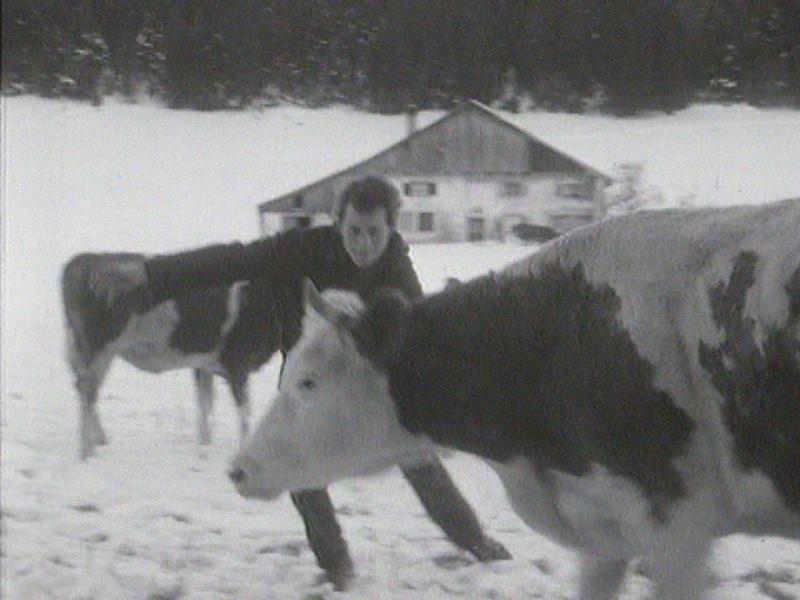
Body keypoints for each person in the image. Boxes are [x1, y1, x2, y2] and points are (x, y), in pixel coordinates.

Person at [94, 175, 510, 590]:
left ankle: (472, 539)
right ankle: (336, 565)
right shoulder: (304, 249)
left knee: (417, 458)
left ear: (392, 229)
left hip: (363, 382)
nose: (363, 243)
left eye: (374, 233)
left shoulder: (397, 268)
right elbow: (234, 260)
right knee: (296, 462)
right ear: (336, 223)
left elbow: (416, 337)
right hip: (307, 373)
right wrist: (152, 275)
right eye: (353, 231)